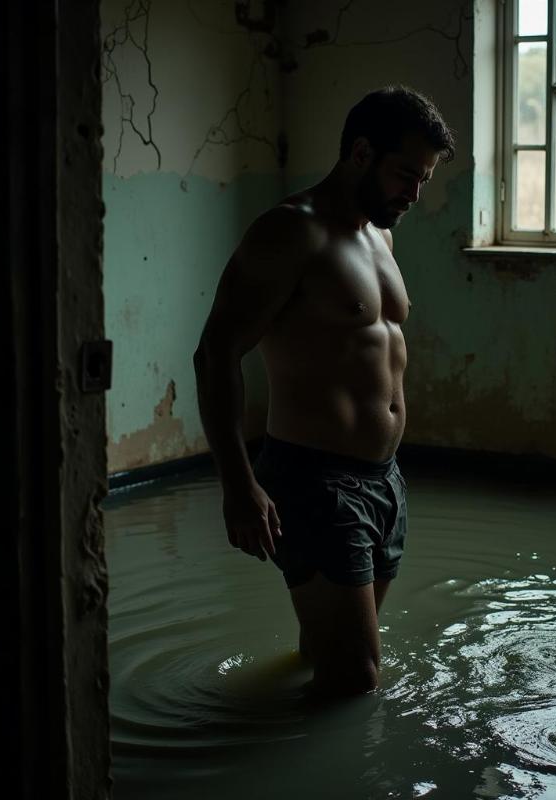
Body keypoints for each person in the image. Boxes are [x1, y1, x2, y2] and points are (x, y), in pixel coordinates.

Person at [193, 85, 455, 698]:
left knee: (327, 656)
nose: (414, 195)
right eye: (404, 175)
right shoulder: (290, 233)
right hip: (315, 482)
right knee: (358, 678)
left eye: (423, 180)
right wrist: (238, 482)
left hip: (384, 480)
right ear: (360, 152)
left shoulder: (380, 237)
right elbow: (215, 354)